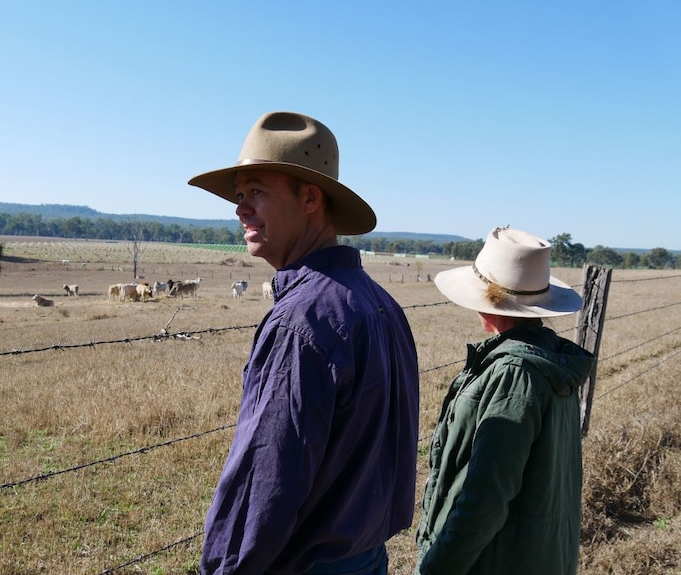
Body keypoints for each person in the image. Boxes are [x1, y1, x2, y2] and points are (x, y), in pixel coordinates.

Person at [188, 111, 420, 575]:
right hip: (366, 557)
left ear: (310, 197)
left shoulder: (301, 322)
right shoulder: (381, 305)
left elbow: (265, 483)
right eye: (238, 195)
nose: (240, 209)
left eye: (256, 191)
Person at [414, 226, 597, 575]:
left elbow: (484, 498)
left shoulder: (514, 373)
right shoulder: (551, 358)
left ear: (485, 301)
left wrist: (437, 568)